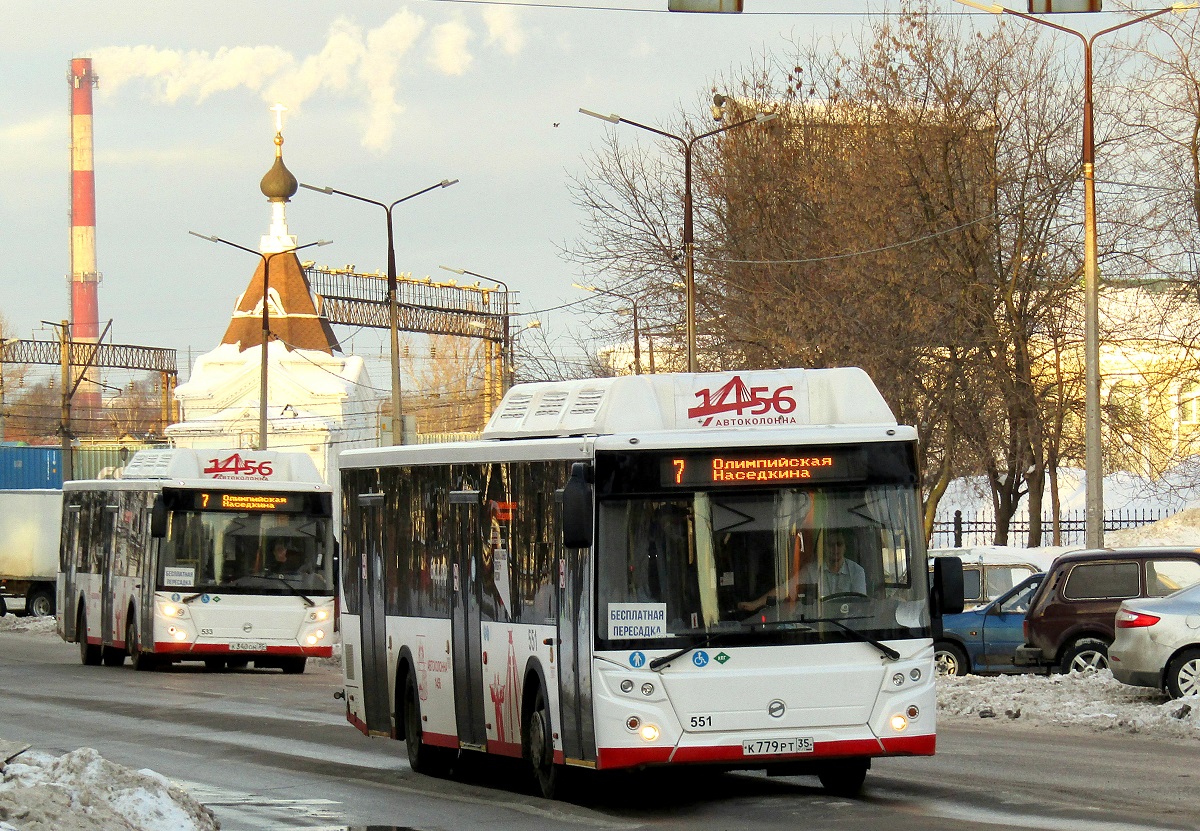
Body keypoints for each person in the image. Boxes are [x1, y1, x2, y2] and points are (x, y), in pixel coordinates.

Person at [799, 530, 867, 597]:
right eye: (830, 545)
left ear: (845, 547)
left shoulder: (857, 571)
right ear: (824, 547)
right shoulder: (810, 571)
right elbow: (790, 590)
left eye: (839, 544)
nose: (835, 548)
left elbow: (860, 603)